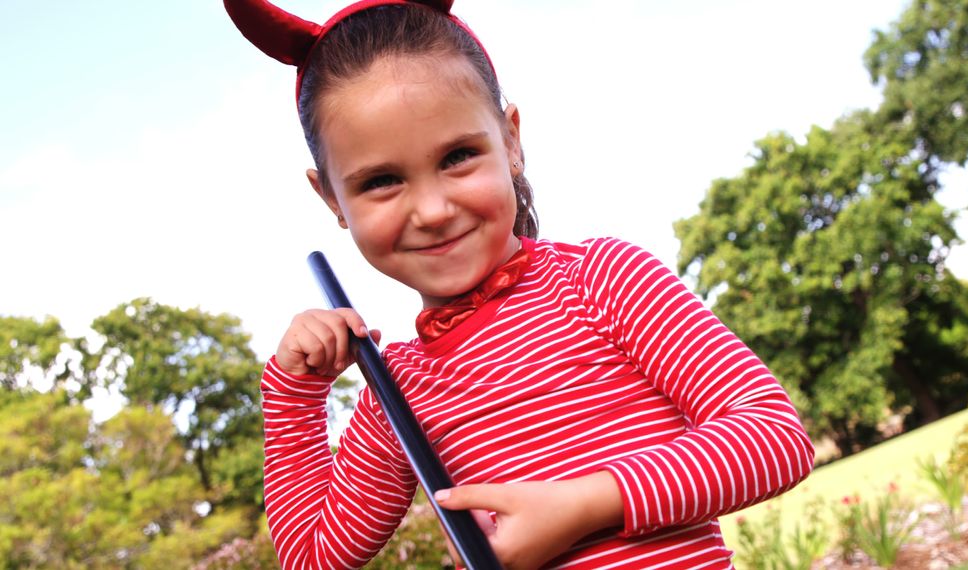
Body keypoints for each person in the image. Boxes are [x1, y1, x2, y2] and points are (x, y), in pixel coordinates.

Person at [225, 1, 815, 568]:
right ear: (332, 198)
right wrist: (293, 393)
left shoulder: (601, 278)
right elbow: (313, 556)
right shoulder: (398, 387)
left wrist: (585, 505)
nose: (431, 209)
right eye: (381, 180)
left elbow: (774, 437)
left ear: (510, 141)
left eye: (457, 156)